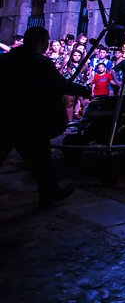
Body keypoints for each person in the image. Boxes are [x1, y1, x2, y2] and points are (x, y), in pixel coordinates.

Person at [0, 27, 91, 208]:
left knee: (38, 160)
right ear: (42, 42)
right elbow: (59, 84)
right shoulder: (40, 62)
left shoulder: (7, 59)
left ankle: (50, 192)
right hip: (31, 119)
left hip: (7, 117)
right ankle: (49, 193)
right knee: (41, 160)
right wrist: (84, 90)